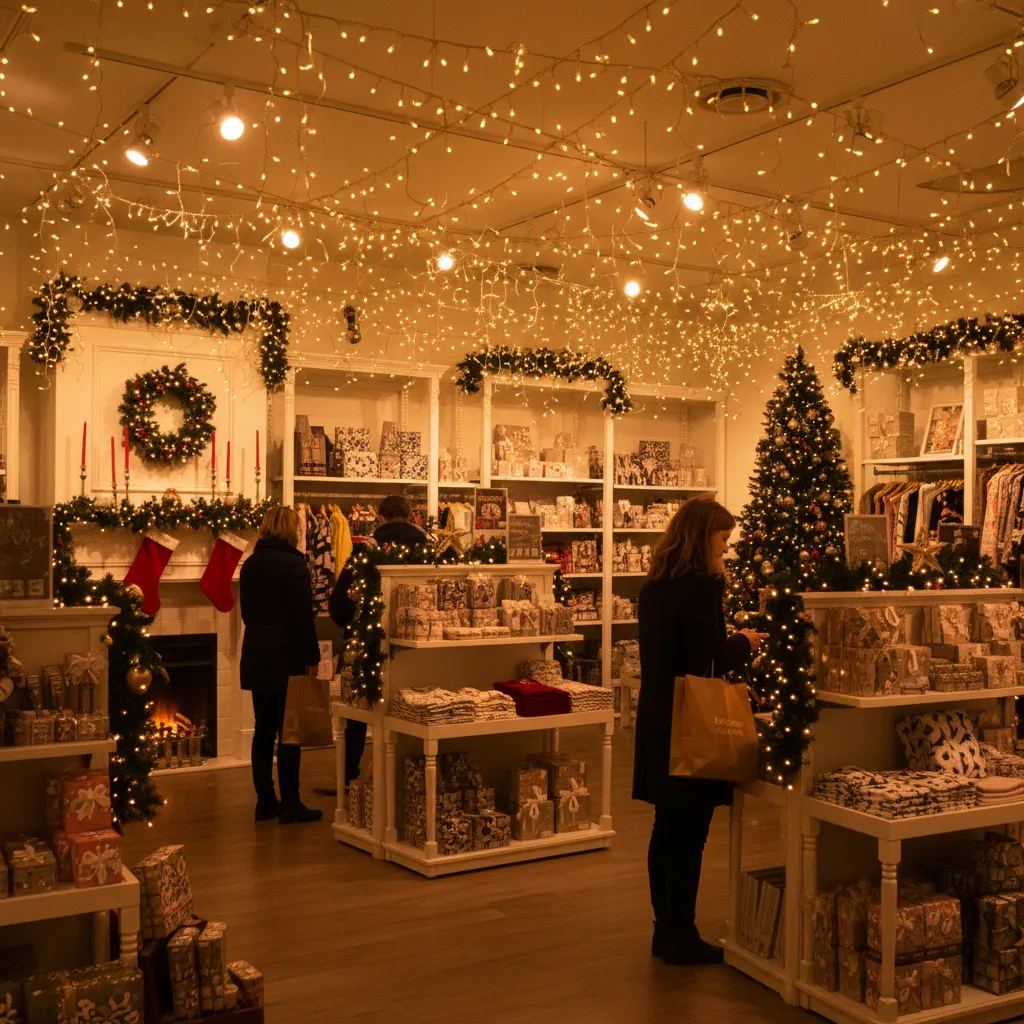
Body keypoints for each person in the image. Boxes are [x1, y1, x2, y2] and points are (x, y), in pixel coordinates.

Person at [632, 496, 766, 966]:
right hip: (694, 721)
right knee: (689, 835)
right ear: (702, 537)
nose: (726, 550)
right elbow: (708, 656)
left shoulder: (655, 586)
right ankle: (681, 935)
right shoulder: (700, 587)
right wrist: (744, 643)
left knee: (665, 830)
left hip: (659, 716)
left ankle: (664, 930)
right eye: (723, 539)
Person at [328, 495, 428, 784]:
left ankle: (349, 775)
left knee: (361, 706)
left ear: (381, 517)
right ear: (409, 516)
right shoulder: (427, 550)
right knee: (413, 706)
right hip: (414, 644)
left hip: (368, 640)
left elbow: (340, 603)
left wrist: (354, 624)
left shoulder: (365, 549)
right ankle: (408, 774)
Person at [239, 506, 323, 825]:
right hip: (286, 656)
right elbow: (303, 619)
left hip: (257, 652)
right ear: (291, 530)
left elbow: (247, 614)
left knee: (263, 730)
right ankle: (290, 802)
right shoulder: (294, 564)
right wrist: (313, 658)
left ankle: (265, 801)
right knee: (289, 732)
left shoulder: (250, 565)